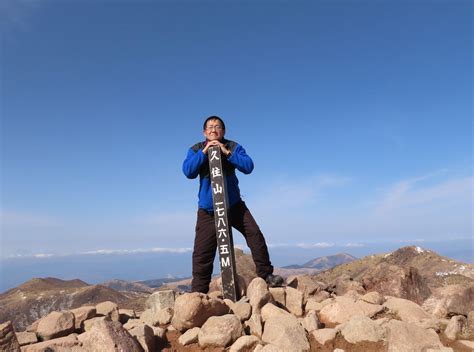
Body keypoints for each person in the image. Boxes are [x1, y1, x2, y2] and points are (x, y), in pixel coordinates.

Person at [182, 115, 284, 293]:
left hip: (235, 206)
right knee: (202, 253)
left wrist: (226, 152)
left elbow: (248, 166)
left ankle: (267, 275)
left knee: (255, 235)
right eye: (210, 127)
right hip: (208, 211)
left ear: (223, 131)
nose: (214, 129)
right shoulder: (196, 149)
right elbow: (188, 171)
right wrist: (205, 152)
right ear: (204, 132)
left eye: (218, 126)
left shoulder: (233, 146)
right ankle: (198, 292)